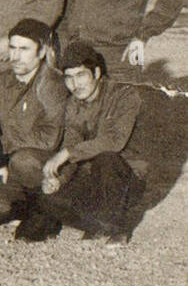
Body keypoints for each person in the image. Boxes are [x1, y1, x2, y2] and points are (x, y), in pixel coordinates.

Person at [32, 42, 146, 246]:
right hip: (92, 179)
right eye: (69, 78)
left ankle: (117, 228)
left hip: (126, 178)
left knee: (107, 159)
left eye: (81, 75)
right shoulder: (73, 104)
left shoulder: (124, 95)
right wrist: (60, 180)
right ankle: (97, 224)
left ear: (96, 72)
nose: (75, 84)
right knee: (46, 198)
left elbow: (114, 141)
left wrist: (66, 153)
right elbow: (72, 143)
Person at [0, 19, 69, 236]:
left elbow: (50, 137)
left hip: (43, 161)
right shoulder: (1, 82)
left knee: (23, 161)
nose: (15, 56)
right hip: (10, 162)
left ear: (42, 52)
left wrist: (4, 145)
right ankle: (7, 204)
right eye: (12, 48)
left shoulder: (53, 84)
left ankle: (46, 208)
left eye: (24, 49)